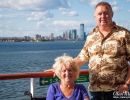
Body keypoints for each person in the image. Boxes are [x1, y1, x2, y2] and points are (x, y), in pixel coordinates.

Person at [74, 1, 130, 100]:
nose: (103, 16)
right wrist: (59, 67)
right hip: (95, 92)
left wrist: (127, 84)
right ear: (95, 16)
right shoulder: (91, 36)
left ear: (112, 14)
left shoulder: (124, 34)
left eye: (106, 13)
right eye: (100, 14)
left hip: (119, 91)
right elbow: (81, 58)